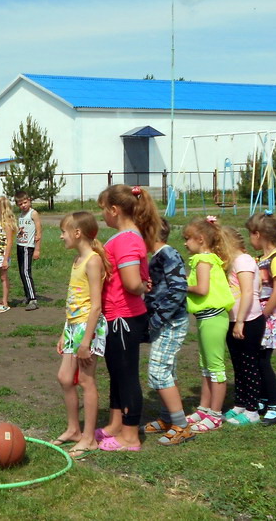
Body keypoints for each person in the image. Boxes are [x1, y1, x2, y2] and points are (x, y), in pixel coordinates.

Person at [93, 184, 157, 452]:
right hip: (116, 317)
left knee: (127, 375)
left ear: (115, 210)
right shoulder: (123, 237)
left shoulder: (128, 239)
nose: (102, 216)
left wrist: (143, 286)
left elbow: (132, 283)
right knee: (117, 373)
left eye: (103, 210)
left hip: (124, 318)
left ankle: (130, 436)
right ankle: (115, 425)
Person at [53, 211, 110, 458]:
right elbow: (73, 300)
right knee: (65, 378)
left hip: (89, 328)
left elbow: (96, 305)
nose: (61, 236)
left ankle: (89, 438)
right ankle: (74, 430)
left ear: (77, 233)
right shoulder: (77, 260)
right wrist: (64, 332)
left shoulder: (93, 260)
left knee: (86, 381)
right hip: (72, 327)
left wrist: (86, 341)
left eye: (64, 232)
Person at [142, 217, 195, 445]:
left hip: (171, 323)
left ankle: (181, 426)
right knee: (165, 370)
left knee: (158, 371)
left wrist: (157, 319)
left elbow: (178, 289)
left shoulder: (168, 254)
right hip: (163, 322)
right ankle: (167, 418)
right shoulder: (157, 257)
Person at [183, 216, 235, 433]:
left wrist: (180, 285)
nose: (185, 243)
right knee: (206, 366)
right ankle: (204, 408)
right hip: (206, 317)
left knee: (215, 367)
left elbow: (202, 289)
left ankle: (215, 414)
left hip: (213, 317)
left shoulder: (204, 261)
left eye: (188, 239)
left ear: (201, 239)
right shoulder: (205, 259)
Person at [245, 212, 276, 426]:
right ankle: (263, 398)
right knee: (257, 359)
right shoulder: (262, 258)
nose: (249, 239)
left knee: (263, 361)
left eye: (250, 235)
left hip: (269, 316)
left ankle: (274, 405)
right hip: (260, 314)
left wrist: (262, 316)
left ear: (258, 234)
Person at [220, 226, 266, 426]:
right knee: (238, 365)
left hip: (248, 321)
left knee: (249, 365)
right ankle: (240, 403)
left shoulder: (244, 261)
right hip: (233, 321)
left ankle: (252, 409)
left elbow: (248, 292)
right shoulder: (232, 262)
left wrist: (239, 321)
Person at [14, 191, 43, 310]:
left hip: (28, 246)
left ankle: (33, 299)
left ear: (29, 201)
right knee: (21, 272)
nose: (23, 205)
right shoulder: (20, 215)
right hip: (20, 245)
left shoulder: (33, 213)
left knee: (26, 272)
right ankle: (27, 295)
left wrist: (37, 249)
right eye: (20, 204)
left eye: (25, 202)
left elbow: (38, 232)